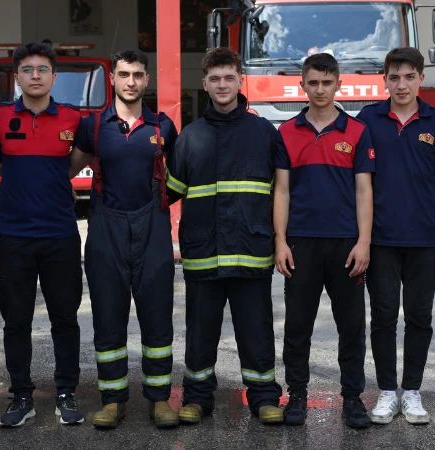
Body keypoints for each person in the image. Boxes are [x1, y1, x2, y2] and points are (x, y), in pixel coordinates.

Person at [166, 47, 284, 425]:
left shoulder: (264, 132)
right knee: (200, 335)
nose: (221, 84)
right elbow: (167, 193)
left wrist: (281, 240)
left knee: (257, 332)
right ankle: (198, 399)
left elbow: (282, 191)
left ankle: (265, 398)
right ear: (204, 84)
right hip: (203, 254)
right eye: (214, 79)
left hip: (251, 252)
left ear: (239, 81)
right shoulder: (190, 137)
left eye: (228, 77)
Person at [72, 49, 179, 429]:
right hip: (105, 229)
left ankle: (160, 400)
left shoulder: (163, 127)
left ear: (146, 79)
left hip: (153, 231)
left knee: (157, 319)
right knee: (108, 317)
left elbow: (178, 180)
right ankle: (113, 401)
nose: (130, 81)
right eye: (123, 74)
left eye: (137, 74)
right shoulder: (94, 125)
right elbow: (66, 168)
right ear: (112, 79)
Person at [0, 41, 84, 427]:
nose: (35, 76)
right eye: (27, 69)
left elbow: (80, 158)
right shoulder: (0, 119)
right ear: (17, 77)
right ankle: (21, 395)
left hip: (59, 234)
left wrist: (54, 178)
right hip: (13, 235)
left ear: (54, 77)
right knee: (16, 321)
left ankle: (66, 393)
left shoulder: (74, 119)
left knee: (65, 319)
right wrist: (23, 179)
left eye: (42, 69)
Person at [356, 47, 435, 425]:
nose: (402, 84)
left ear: (421, 78)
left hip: (424, 236)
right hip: (380, 237)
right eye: (394, 77)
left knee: (419, 316)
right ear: (384, 80)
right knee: (383, 316)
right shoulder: (368, 119)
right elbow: (356, 179)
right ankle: (386, 391)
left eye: (409, 76)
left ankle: (412, 391)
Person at [274, 53, 375, 428]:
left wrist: (364, 241)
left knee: (351, 326)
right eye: (313, 83)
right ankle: (296, 396)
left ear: (338, 85)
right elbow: (281, 191)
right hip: (301, 244)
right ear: (303, 85)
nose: (319, 89)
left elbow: (365, 192)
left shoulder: (357, 132)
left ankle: (352, 399)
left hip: (346, 244)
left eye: (326, 82)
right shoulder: (286, 132)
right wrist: (280, 241)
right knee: (298, 326)